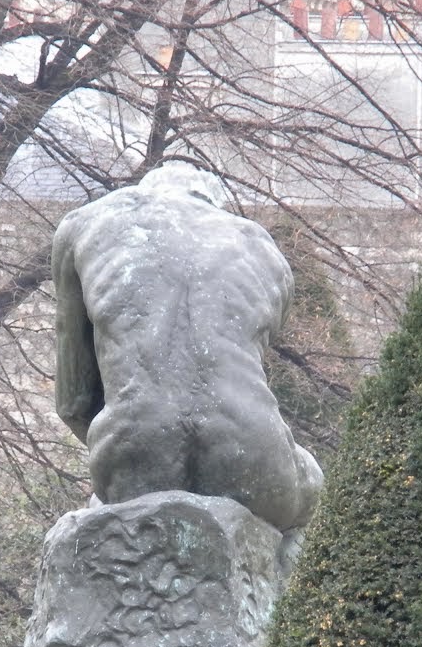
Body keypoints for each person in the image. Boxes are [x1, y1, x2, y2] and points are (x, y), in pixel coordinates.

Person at [51, 163, 322, 534]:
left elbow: (72, 403)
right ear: (212, 202)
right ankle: (280, 586)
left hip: (134, 455)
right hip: (253, 459)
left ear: (148, 189)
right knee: (312, 482)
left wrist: (128, 444)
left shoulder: (84, 225)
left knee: (108, 495)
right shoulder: (262, 247)